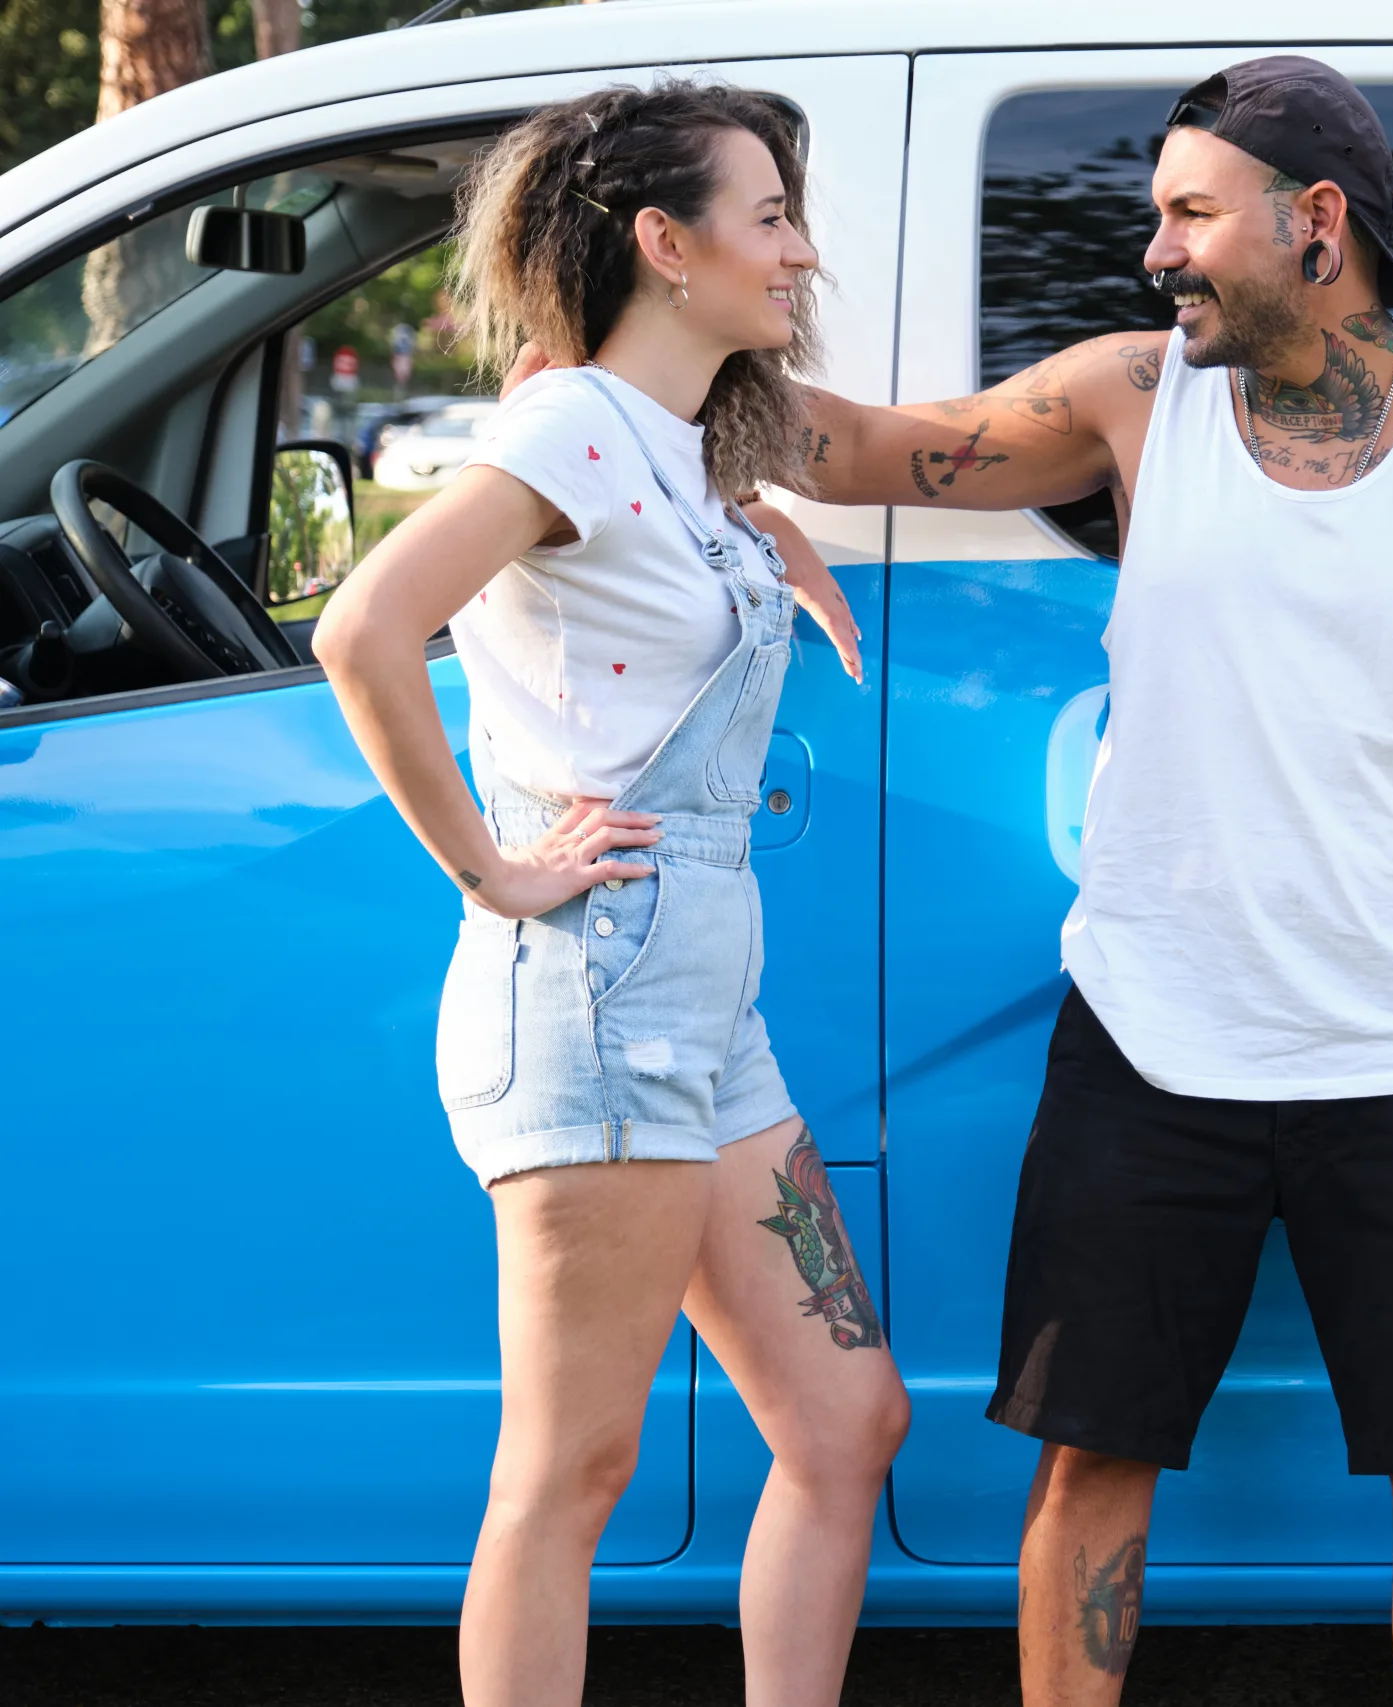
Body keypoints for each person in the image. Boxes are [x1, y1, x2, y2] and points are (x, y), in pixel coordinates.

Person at [594, 52, 1393, 1707]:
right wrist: (624, 369)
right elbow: (871, 450)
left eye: (1190, 214)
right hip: (1154, 1035)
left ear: (1317, 221)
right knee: (1090, 1463)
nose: (1156, 251)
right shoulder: (1138, 396)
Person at [312, 81, 904, 1707]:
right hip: (594, 984)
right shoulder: (567, 425)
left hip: (704, 1001)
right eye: (770, 215)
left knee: (847, 1420)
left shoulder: (659, 440)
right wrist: (493, 870)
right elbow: (363, 630)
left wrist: (758, 529)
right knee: (571, 1468)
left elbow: (631, 582)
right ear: (667, 241)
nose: (799, 252)